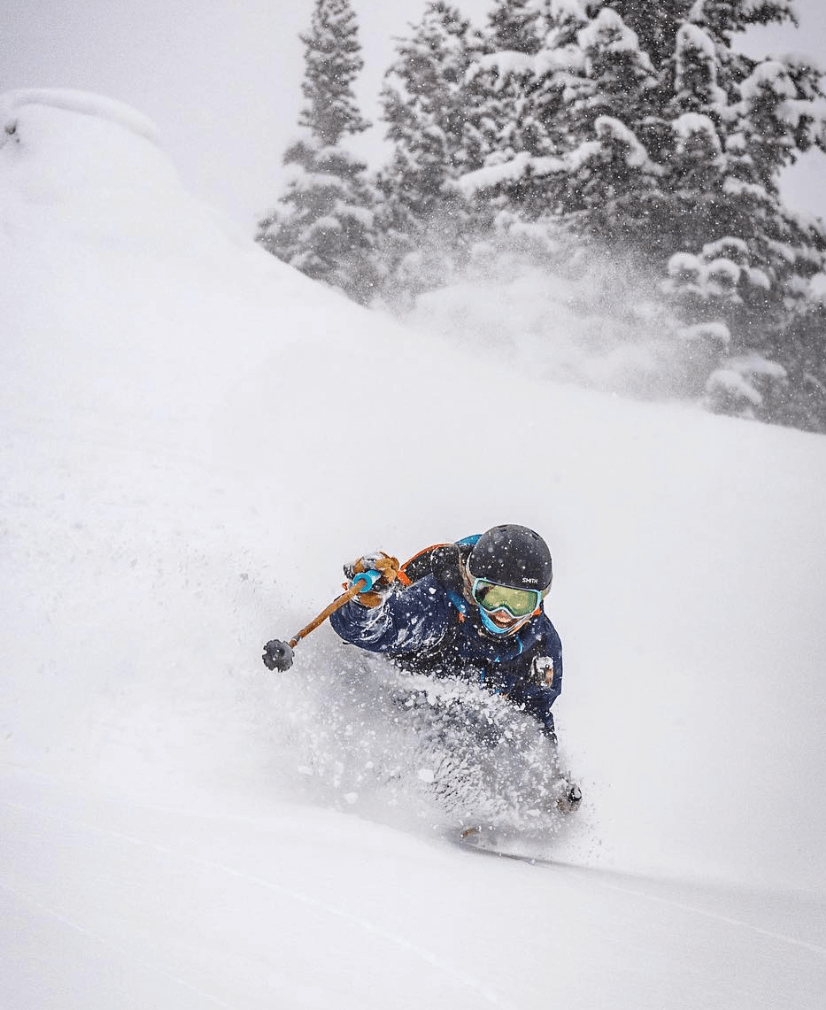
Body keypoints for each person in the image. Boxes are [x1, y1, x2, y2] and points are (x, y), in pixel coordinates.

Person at [328, 524, 581, 810]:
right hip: (396, 710)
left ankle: (502, 818)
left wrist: (548, 778)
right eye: (492, 596)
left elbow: (533, 717)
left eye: (518, 602)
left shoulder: (540, 647)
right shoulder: (436, 605)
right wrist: (366, 605)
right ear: (471, 583)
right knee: (444, 750)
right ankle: (442, 814)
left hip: (471, 726)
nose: (503, 614)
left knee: (495, 741)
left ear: (538, 602)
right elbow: (375, 630)